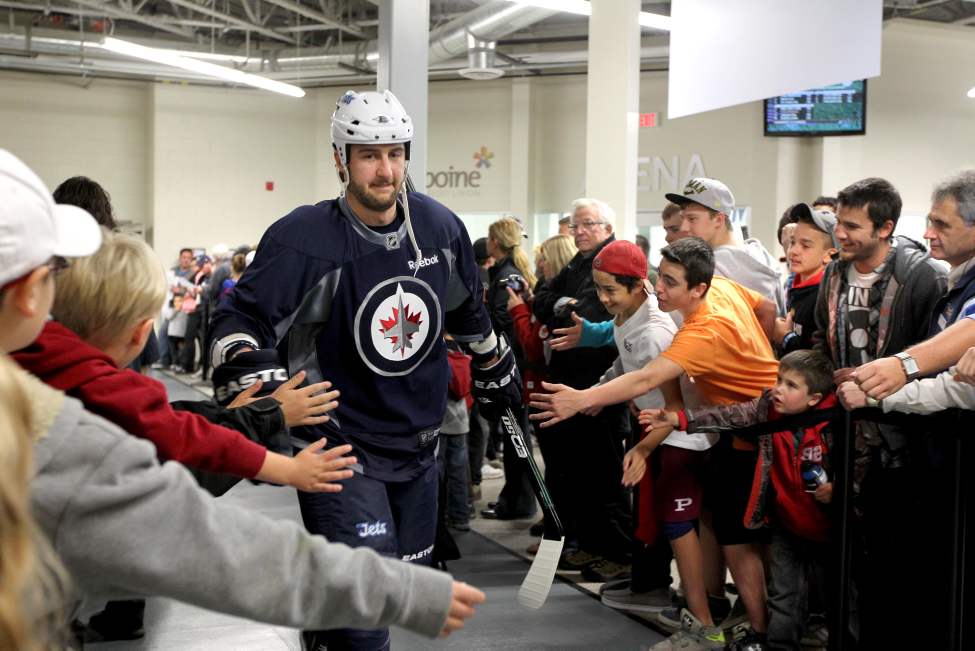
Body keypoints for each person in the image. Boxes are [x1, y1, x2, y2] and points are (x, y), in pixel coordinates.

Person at [0, 149, 486, 644]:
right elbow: (212, 541)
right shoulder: (59, 415)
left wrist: (265, 429)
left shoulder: (42, 392)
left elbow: (168, 432)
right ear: (34, 290)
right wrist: (402, 593)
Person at [207, 90, 521, 651]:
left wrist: (495, 362)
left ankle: (322, 629)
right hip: (339, 448)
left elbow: (468, 311)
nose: (386, 169)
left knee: (392, 586)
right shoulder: (304, 238)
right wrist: (264, 386)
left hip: (417, 445)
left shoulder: (439, 226)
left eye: (396, 153)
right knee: (365, 618)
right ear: (340, 159)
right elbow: (239, 320)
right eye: (370, 155)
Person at [531, 237, 779, 649]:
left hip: (712, 433)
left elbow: (658, 388)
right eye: (658, 277)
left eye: (669, 281)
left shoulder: (679, 331)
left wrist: (587, 402)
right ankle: (718, 613)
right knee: (715, 528)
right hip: (712, 428)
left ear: (696, 287)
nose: (658, 288)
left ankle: (722, 625)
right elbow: (766, 309)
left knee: (716, 532)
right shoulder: (708, 293)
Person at [811, 177, 946, 649]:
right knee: (845, 556)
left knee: (892, 564)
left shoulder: (923, 276)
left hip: (901, 445)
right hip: (845, 435)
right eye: (838, 224)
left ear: (885, 227)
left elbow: (937, 358)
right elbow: (820, 340)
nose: (840, 235)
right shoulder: (834, 272)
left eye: (851, 226)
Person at [642, 349, 838, 650]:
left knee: (839, 596)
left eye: (791, 386)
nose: (778, 390)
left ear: (814, 398)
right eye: (779, 380)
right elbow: (727, 415)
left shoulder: (838, 419)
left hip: (831, 527)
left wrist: (841, 488)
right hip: (787, 523)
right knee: (784, 594)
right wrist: (678, 418)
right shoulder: (766, 408)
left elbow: (860, 456)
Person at [586, 240, 719, 617]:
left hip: (679, 438)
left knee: (679, 526)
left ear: (637, 284)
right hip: (655, 431)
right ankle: (676, 597)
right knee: (659, 518)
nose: (603, 297)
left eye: (610, 289)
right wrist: (597, 392)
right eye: (598, 287)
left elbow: (673, 407)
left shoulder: (656, 331)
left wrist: (643, 448)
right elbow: (626, 366)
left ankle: (701, 618)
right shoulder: (629, 313)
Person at [531, 197, 633, 580]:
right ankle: (589, 545)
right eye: (576, 226)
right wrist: (562, 304)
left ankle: (618, 553)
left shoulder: (613, 259)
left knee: (604, 477)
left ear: (607, 227)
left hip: (601, 390)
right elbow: (540, 298)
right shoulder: (577, 262)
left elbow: (590, 315)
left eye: (588, 224)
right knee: (576, 473)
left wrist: (562, 308)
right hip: (569, 386)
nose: (580, 232)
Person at [853, 170, 975, 398]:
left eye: (942, 225)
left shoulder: (929, 275)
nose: (928, 234)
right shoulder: (958, 278)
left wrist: (902, 366)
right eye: (931, 222)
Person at [481, 216, 538, 520]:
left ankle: (519, 501)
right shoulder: (506, 274)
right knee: (514, 435)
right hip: (512, 367)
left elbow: (507, 325)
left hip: (510, 369)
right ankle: (514, 499)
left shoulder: (506, 278)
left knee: (517, 437)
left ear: (495, 242)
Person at [666, 178, 786, 316]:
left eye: (692, 219)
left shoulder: (710, 270)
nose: (684, 227)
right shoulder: (761, 257)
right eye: (683, 218)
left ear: (718, 219)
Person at [773, 204, 838, 354]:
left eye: (806, 246)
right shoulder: (797, 286)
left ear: (829, 255)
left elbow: (818, 358)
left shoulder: (825, 296)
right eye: (793, 242)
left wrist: (785, 338)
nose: (794, 251)